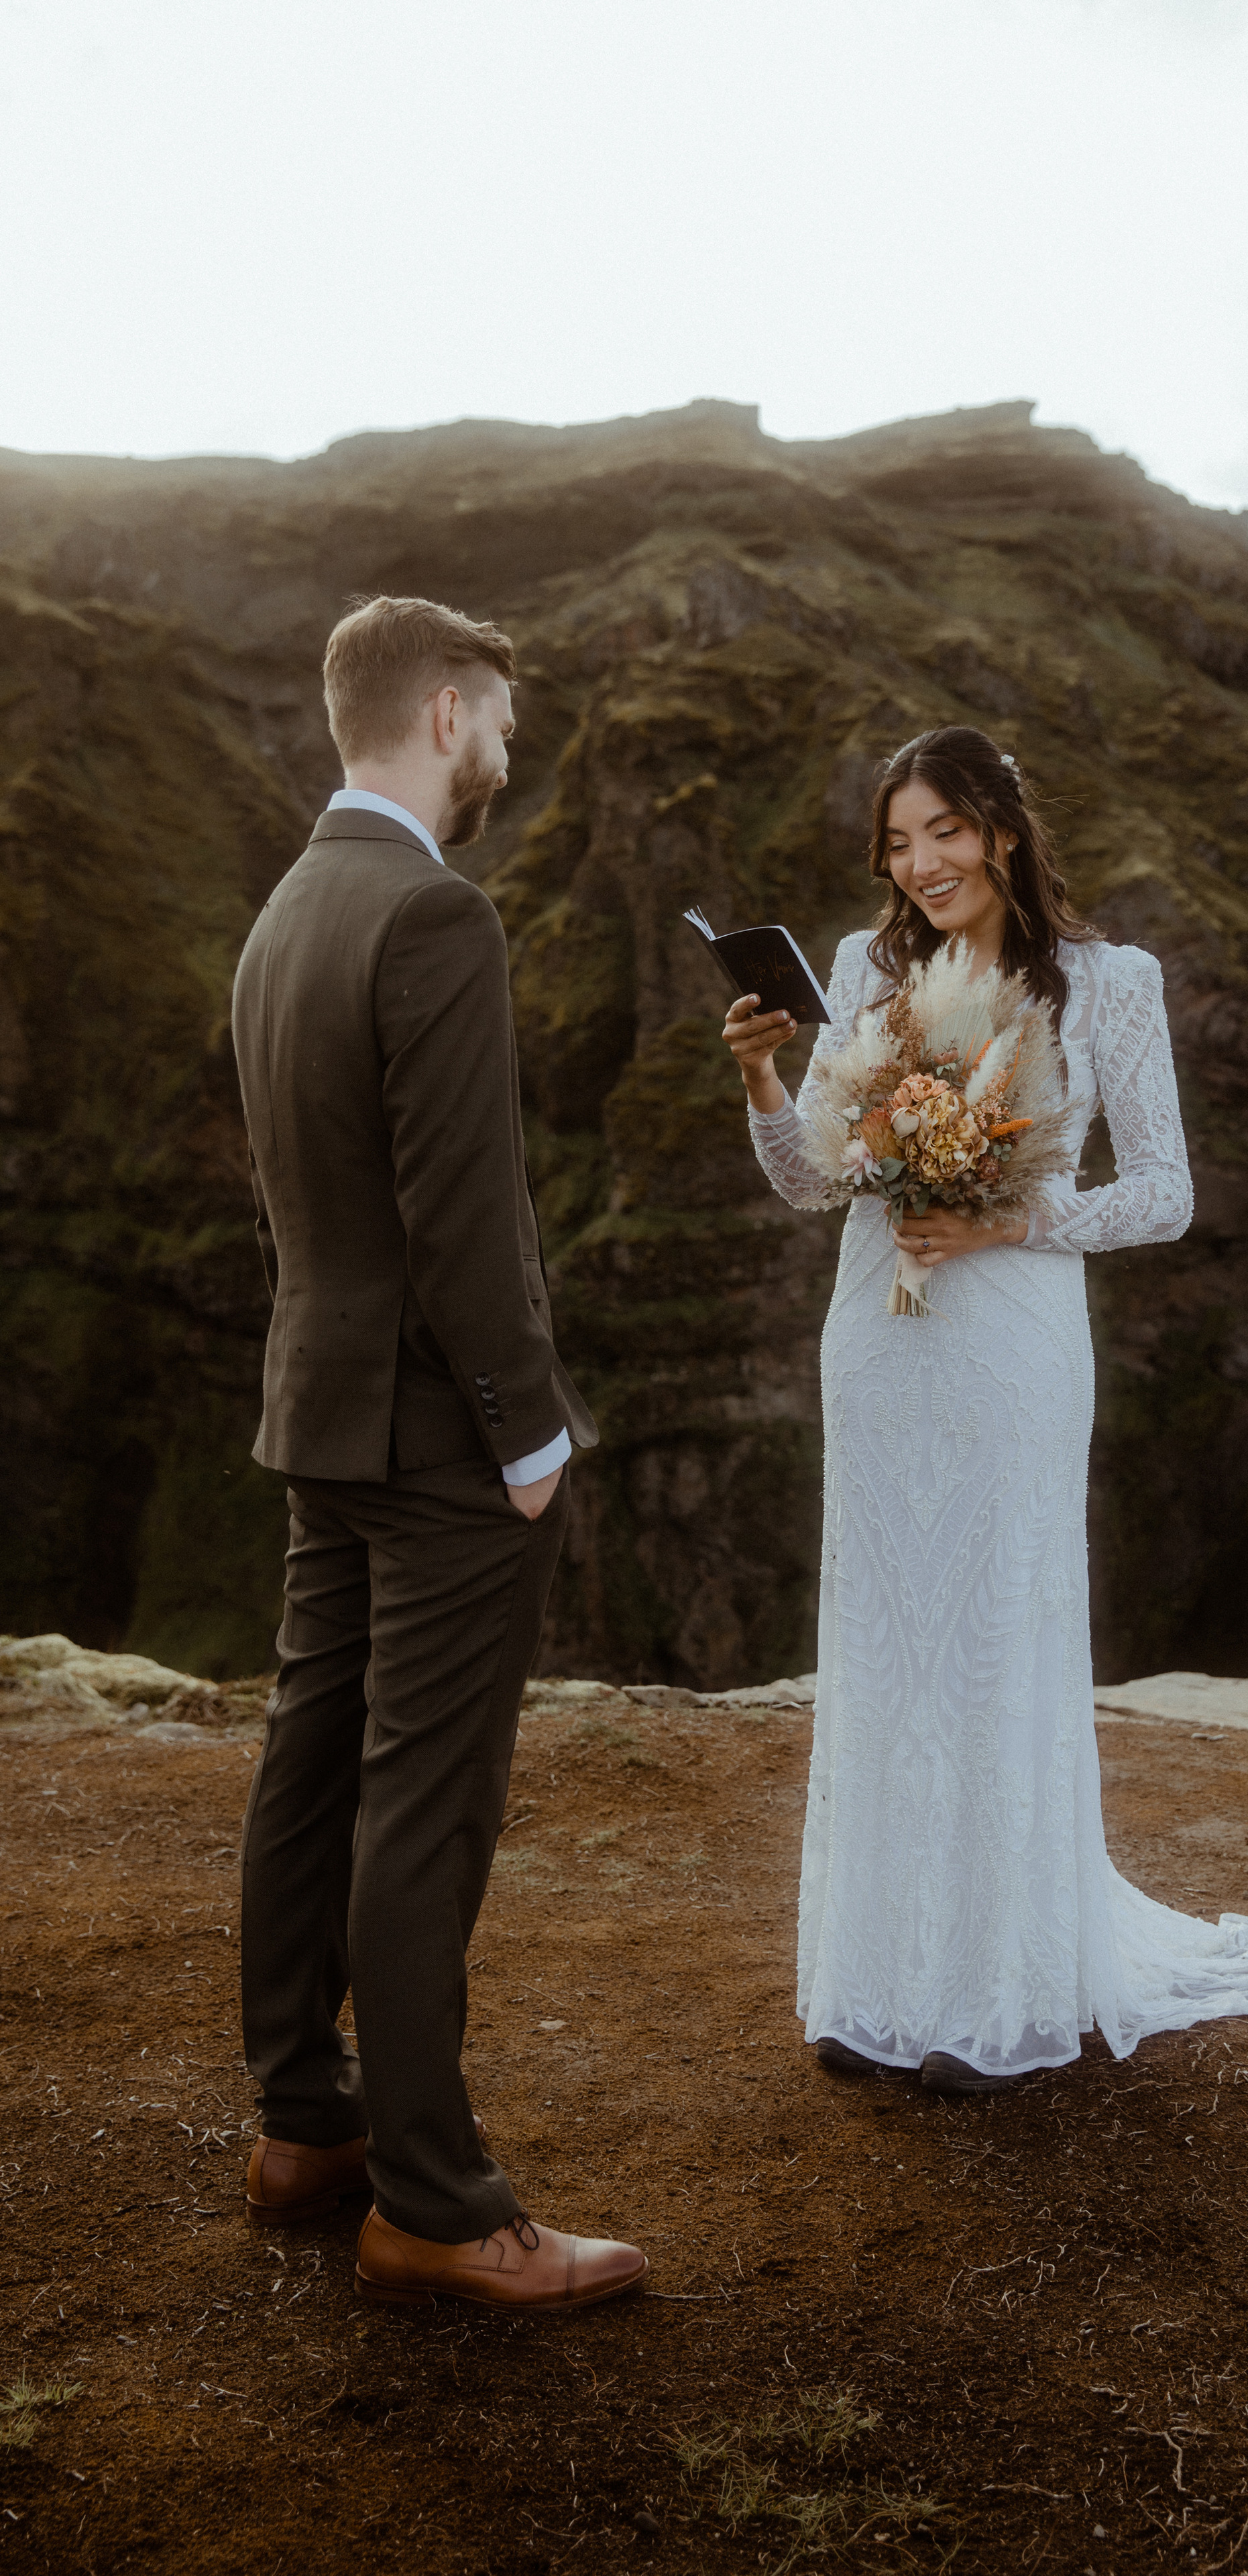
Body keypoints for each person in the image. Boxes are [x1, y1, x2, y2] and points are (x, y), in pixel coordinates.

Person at [724, 726, 1248, 2096]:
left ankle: (996, 1993)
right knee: (886, 1646)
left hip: (1009, 1350)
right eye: (895, 842)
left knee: (990, 1639)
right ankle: (872, 1988)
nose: (918, 863)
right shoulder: (868, 972)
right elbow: (811, 1187)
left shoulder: (1110, 984)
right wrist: (761, 1074)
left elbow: (1163, 1192)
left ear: (997, 829)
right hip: (876, 1347)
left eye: (941, 830)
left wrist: (999, 1217)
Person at [231, 594, 646, 2308]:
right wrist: (529, 1436)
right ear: (448, 709)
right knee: (425, 1805)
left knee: (308, 1761)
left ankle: (304, 2120)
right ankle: (436, 2203)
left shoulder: (286, 912)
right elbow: (468, 1219)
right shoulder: (433, 914)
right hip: (436, 1444)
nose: (507, 756)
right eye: (499, 726)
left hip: (319, 1412)